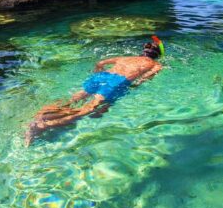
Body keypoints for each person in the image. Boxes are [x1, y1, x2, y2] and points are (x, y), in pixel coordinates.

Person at [25, 38, 164, 145]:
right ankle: (42, 126)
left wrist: (98, 77)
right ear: (157, 55)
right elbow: (144, 79)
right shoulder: (156, 65)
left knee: (70, 101)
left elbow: (100, 63)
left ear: (143, 51)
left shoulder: (125, 58)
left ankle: (40, 115)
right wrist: (131, 87)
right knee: (86, 110)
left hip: (101, 77)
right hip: (117, 83)